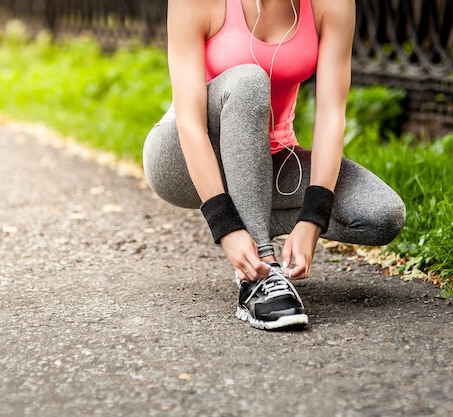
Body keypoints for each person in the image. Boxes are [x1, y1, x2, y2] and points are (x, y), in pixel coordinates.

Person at [142, 0, 406, 330]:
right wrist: (225, 226)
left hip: (273, 160)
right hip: (181, 157)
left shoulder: (331, 4)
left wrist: (314, 215)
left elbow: (331, 116)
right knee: (249, 80)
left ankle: (255, 229)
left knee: (380, 214)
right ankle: (261, 276)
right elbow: (190, 124)